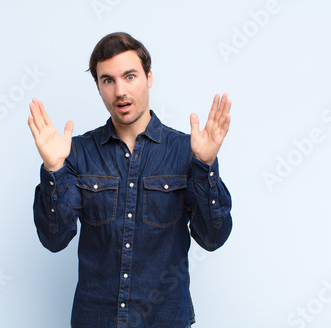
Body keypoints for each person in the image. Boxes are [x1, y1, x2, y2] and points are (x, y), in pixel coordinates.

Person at [28, 32, 232, 328]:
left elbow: (213, 238)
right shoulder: (76, 153)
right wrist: (54, 169)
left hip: (165, 319)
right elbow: (54, 239)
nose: (120, 91)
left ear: (149, 77)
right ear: (98, 87)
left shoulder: (187, 152)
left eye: (130, 76)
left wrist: (205, 165)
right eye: (107, 80)